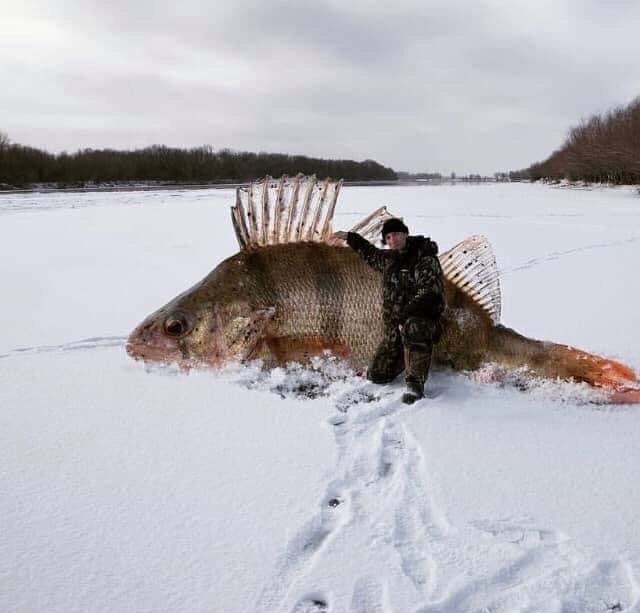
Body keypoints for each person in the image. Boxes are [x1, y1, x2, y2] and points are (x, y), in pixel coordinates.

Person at [332, 219, 445, 404]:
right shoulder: (389, 260)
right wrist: (350, 237)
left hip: (422, 322)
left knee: (413, 327)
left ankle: (414, 385)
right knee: (378, 375)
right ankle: (405, 358)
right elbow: (370, 253)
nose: (393, 239)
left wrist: (405, 314)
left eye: (397, 234)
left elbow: (430, 294)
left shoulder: (423, 258)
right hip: (396, 328)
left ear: (406, 234)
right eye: (388, 237)